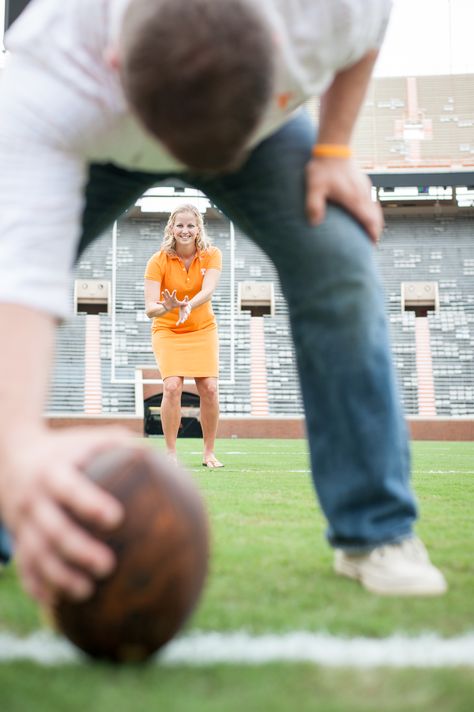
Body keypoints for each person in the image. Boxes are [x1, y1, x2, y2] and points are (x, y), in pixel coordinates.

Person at [0, 0, 447, 603]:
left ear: (284, 49)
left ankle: (377, 529)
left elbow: (369, 30)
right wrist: (17, 451)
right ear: (113, 57)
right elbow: (19, 282)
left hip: (257, 131)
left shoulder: (329, 11)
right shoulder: (50, 77)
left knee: (338, 257)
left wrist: (335, 150)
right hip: (101, 125)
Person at [144, 204, 224, 468]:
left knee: (210, 389)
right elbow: (149, 309)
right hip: (168, 330)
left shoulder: (212, 254)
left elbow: (209, 289)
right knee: (172, 386)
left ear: (198, 228)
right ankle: (170, 453)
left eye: (191, 225)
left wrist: (189, 304)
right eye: (180, 225)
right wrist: (167, 306)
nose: (185, 230)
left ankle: (208, 452)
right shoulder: (158, 261)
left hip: (202, 329)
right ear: (171, 228)